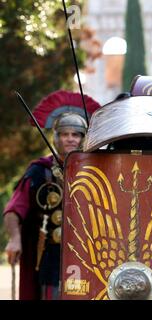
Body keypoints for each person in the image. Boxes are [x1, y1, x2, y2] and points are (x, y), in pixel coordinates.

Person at [3, 112, 88, 300]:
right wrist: (15, 238)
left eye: (75, 134)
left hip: (86, 256)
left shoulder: (94, 169)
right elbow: (15, 208)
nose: (70, 139)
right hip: (50, 257)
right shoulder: (39, 170)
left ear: (83, 138)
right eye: (65, 134)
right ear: (56, 138)